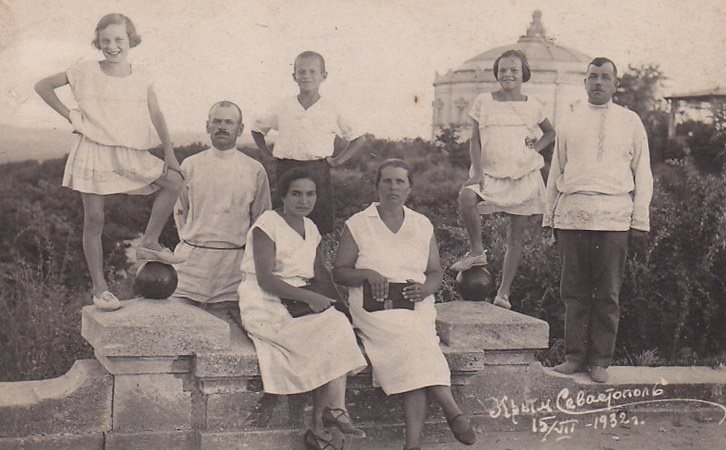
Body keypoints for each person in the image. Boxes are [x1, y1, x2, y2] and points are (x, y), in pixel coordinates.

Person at [34, 13, 185, 311]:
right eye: (105, 41)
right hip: (93, 150)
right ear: (97, 42)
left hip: (130, 150)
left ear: (131, 39)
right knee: (95, 219)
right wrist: (70, 115)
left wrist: (169, 152)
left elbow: (157, 114)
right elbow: (42, 86)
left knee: (174, 181)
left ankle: (150, 242)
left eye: (118, 39)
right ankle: (100, 289)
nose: (112, 46)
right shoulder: (85, 70)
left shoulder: (142, 74)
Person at [334, 159, 477, 450]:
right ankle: (451, 409)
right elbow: (339, 271)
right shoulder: (360, 224)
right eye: (386, 181)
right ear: (376, 186)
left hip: (415, 305)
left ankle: (413, 446)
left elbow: (435, 272)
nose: (393, 187)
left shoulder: (421, 224)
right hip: (374, 307)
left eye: (400, 181)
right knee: (412, 342)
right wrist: (366, 274)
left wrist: (424, 288)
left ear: (410, 188)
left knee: (418, 341)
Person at [237, 168, 367, 450]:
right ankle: (326, 420)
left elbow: (321, 275)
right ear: (282, 196)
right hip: (263, 301)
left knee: (337, 325)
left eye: (310, 194)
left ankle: (329, 416)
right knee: (326, 335)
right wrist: (309, 298)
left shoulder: (311, 228)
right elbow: (265, 278)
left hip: (297, 298)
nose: (303, 200)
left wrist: (344, 310)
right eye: (296, 193)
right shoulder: (267, 223)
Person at [543, 57, 653, 383]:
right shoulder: (570, 121)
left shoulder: (631, 122)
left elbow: (643, 174)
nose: (599, 82)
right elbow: (555, 173)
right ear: (585, 81)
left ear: (616, 84)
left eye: (606, 77)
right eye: (593, 76)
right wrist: (550, 218)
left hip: (615, 219)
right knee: (574, 292)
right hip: (572, 217)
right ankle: (574, 357)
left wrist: (640, 220)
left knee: (607, 294)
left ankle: (600, 360)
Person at [450, 49, 555, 310]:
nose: (508, 74)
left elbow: (551, 133)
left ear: (523, 75)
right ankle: (477, 252)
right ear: (497, 73)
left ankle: (503, 293)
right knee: (466, 196)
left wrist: (534, 147)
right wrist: (476, 170)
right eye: (503, 70)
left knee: (516, 235)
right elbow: (475, 139)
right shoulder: (484, 101)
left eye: (514, 70)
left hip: (523, 173)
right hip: (490, 173)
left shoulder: (533, 104)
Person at [170, 101, 271, 318]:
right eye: (216, 121)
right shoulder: (189, 165)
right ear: (208, 126)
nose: (222, 126)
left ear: (240, 129)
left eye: (229, 122)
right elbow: (181, 212)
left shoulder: (255, 170)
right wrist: (194, 240)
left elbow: (261, 220)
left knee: (227, 334)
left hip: (233, 267)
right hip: (191, 264)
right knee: (180, 326)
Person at [251, 50, 366, 234]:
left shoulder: (332, 108)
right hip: (286, 169)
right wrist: (266, 154)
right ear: (294, 76)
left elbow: (358, 138)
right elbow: (257, 129)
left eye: (312, 72)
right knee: (283, 224)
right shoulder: (283, 106)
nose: (306, 76)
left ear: (324, 76)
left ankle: (315, 262)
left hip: (318, 171)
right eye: (301, 72)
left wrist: (337, 161)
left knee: (317, 226)